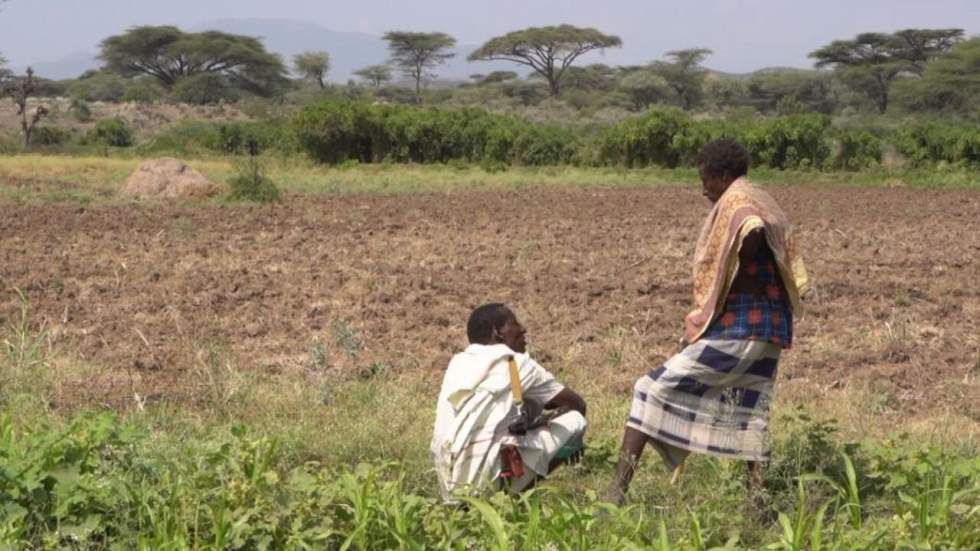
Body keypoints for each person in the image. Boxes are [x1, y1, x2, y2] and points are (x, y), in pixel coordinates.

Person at [605, 139, 810, 504]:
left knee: (649, 389)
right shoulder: (758, 194)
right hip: (769, 326)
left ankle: (616, 494)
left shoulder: (739, 200)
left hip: (744, 325)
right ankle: (757, 502)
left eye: (706, 180)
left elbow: (751, 228)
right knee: (749, 408)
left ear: (723, 175)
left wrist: (741, 269)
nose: (704, 190)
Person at [431, 303, 587, 501]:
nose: (523, 329)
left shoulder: (457, 364)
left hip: (449, 483)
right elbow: (578, 405)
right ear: (498, 333)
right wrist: (569, 442)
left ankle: (472, 505)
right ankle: (514, 499)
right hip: (488, 480)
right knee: (576, 422)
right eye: (514, 323)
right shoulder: (517, 364)